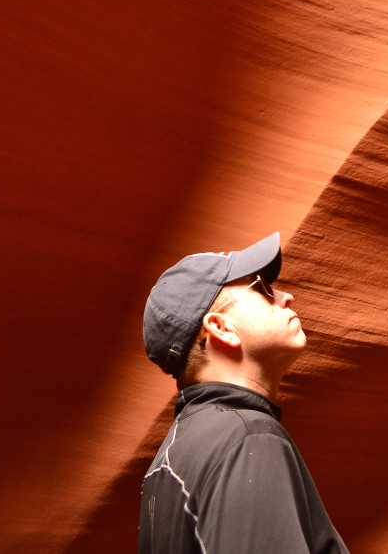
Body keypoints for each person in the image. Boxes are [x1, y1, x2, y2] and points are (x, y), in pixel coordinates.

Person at [139, 231, 349, 553]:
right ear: (221, 328)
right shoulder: (248, 438)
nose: (285, 296)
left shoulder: (168, 460)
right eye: (262, 288)